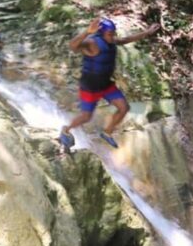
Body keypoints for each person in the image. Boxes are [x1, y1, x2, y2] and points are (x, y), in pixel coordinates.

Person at [58, 17, 161, 154]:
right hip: (90, 87)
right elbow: (73, 46)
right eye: (109, 33)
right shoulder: (92, 42)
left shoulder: (111, 41)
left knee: (124, 107)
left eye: (113, 33)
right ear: (102, 33)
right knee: (86, 116)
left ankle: (107, 132)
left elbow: (126, 40)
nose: (112, 36)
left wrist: (147, 32)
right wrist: (87, 32)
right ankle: (66, 129)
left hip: (106, 85)